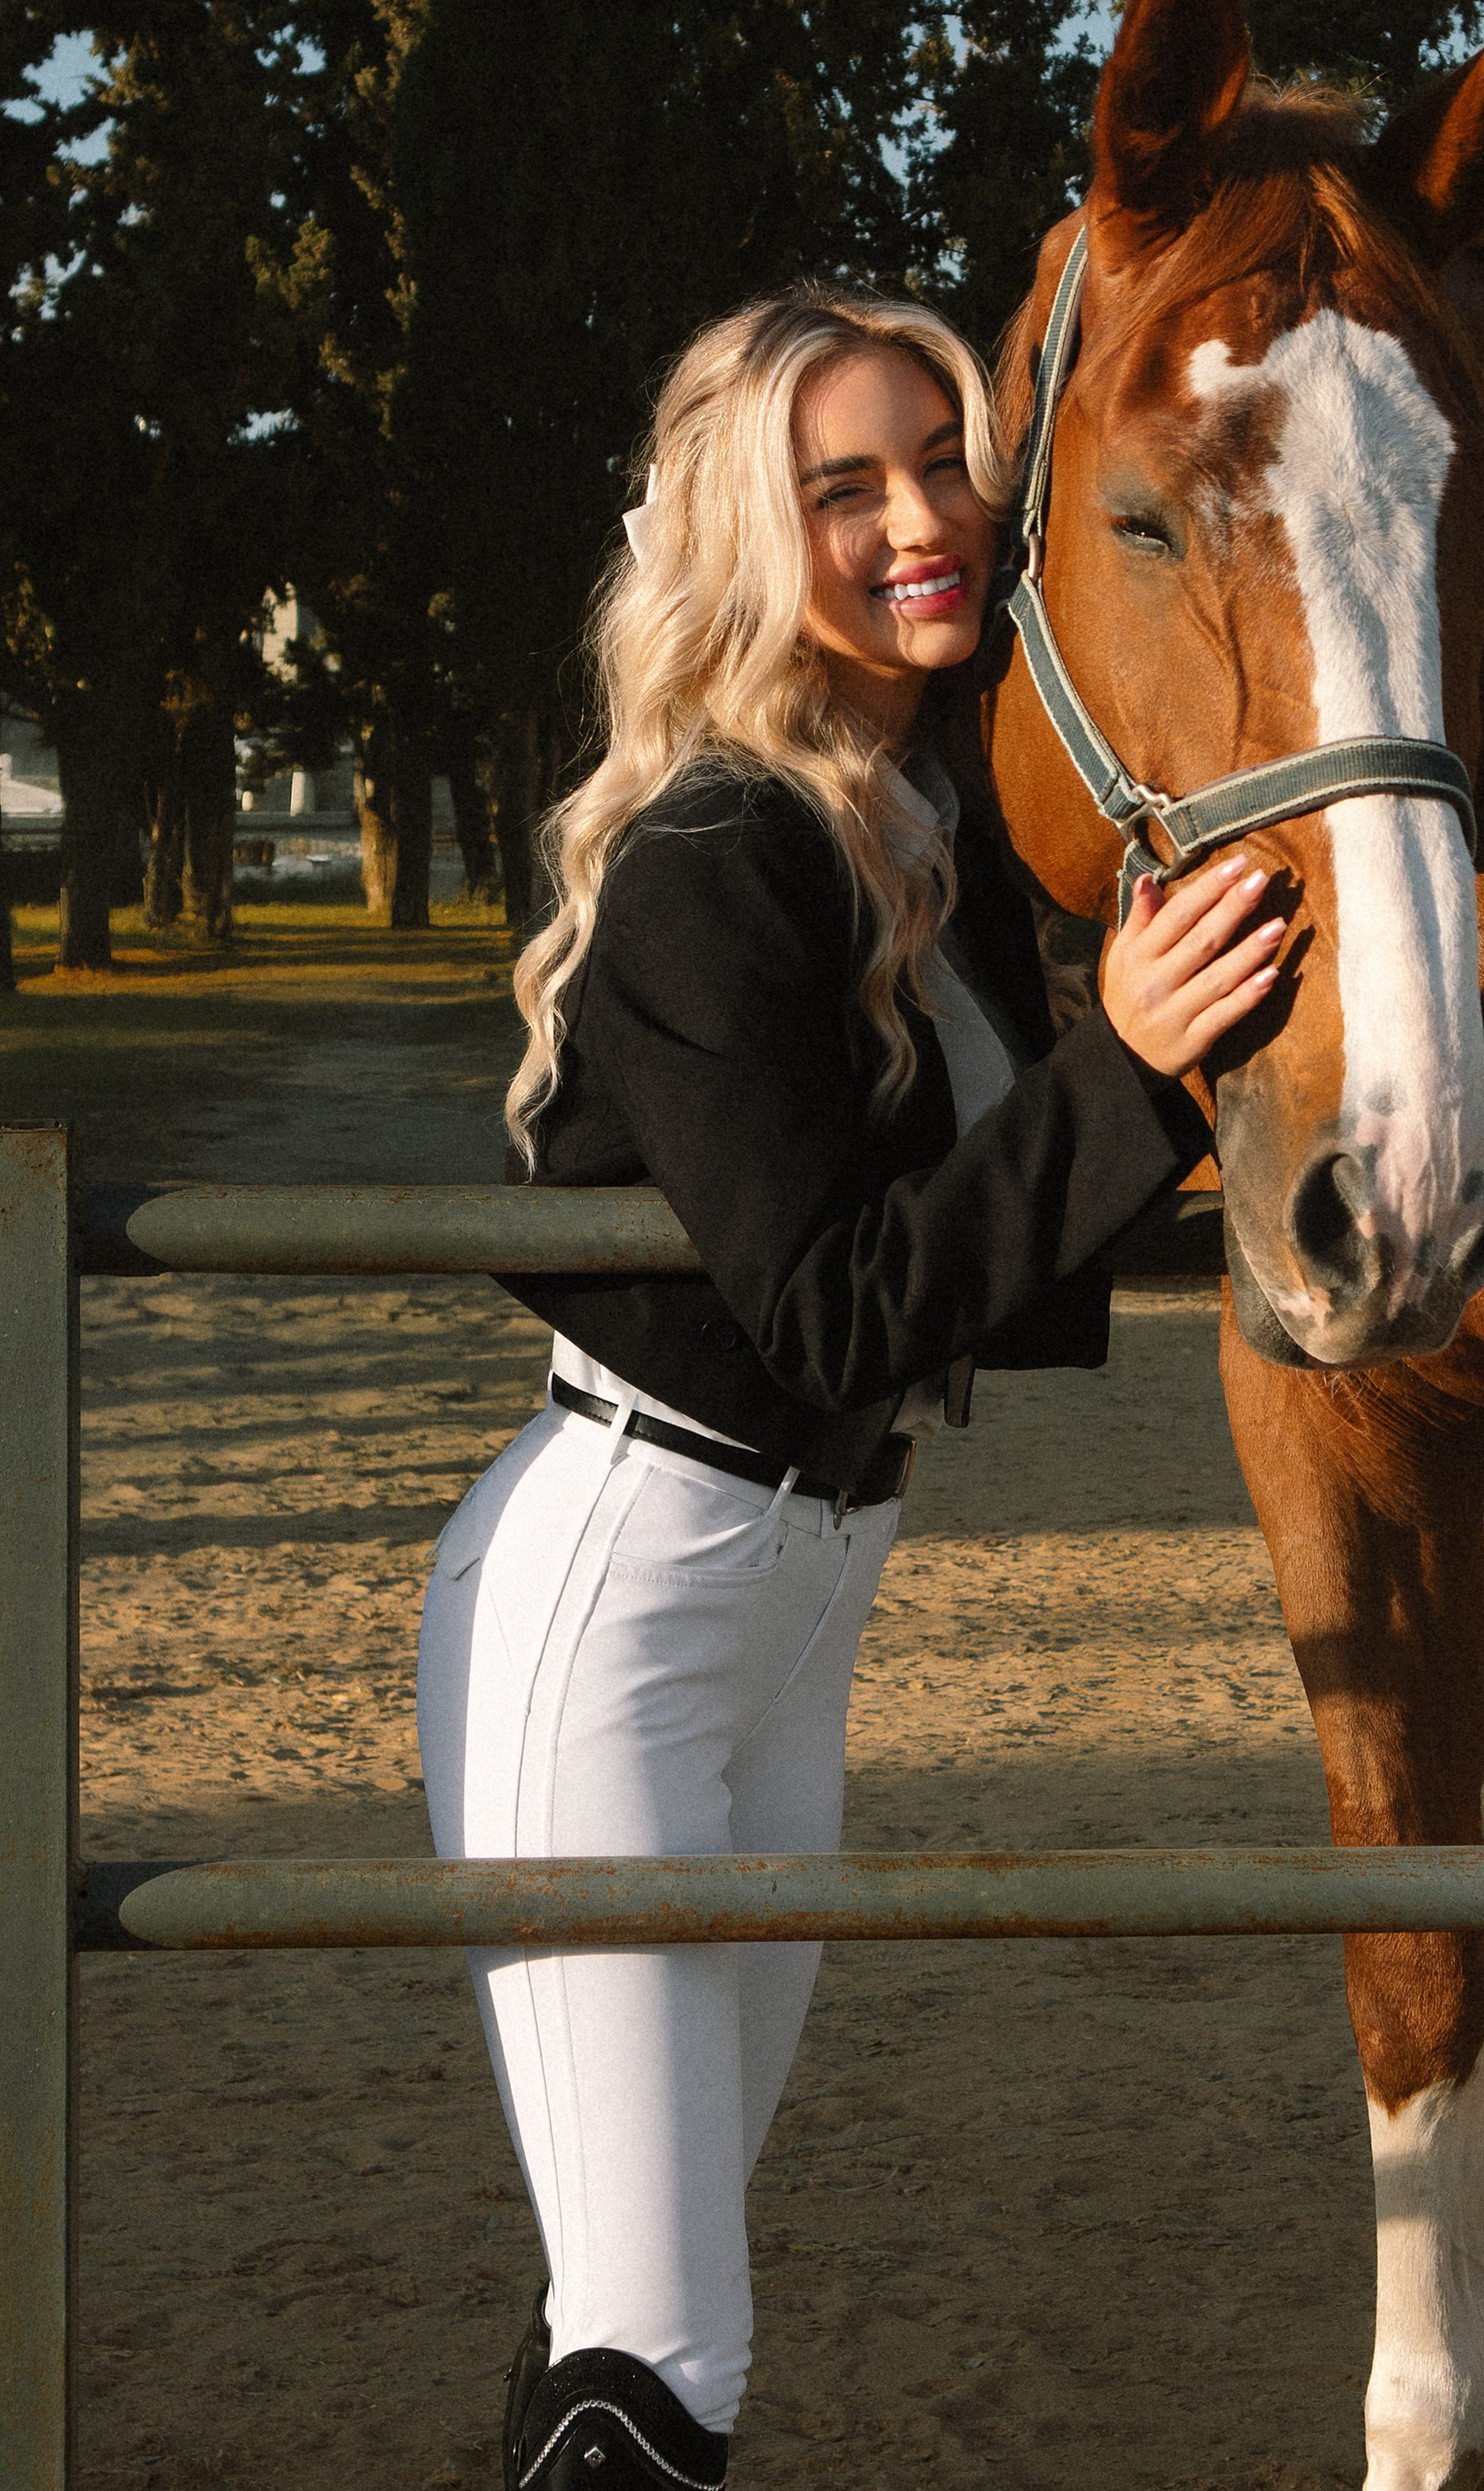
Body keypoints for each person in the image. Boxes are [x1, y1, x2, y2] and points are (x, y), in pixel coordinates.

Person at [416, 285, 1283, 2491]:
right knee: (663, 2335)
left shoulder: (917, 814)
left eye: (941, 460)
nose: (924, 519)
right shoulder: (716, 852)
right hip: (614, 1600)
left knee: (646, 2272)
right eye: (844, 486)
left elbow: (999, 1200)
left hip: (801, 1611)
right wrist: (1136, 1077)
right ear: (740, 525)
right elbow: (828, 1300)